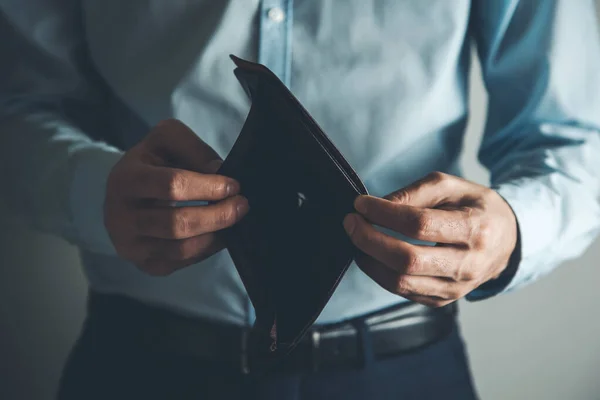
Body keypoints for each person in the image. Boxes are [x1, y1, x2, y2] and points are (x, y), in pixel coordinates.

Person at [1, 1, 599, 399]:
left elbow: (573, 140)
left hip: (401, 370)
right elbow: (17, 104)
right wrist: (89, 187)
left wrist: (512, 233)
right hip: (139, 365)